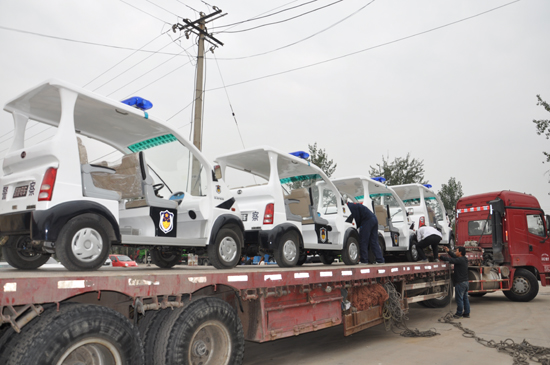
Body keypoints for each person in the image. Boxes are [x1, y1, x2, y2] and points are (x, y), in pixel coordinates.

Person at [439, 246, 470, 319]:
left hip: (460, 283)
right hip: (465, 282)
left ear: (460, 252)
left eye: (457, 251)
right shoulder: (464, 259)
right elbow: (454, 256)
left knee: (459, 299)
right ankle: (466, 313)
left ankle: (459, 314)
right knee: (465, 298)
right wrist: (448, 251)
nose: (455, 252)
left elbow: (451, 260)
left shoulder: (460, 260)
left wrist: (441, 257)